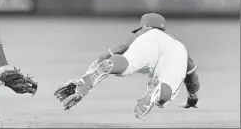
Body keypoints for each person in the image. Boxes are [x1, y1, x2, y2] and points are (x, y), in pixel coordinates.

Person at [54, 13, 200, 118]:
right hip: (177, 51)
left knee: (126, 62)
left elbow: (105, 56)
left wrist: (83, 78)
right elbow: (191, 72)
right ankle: (158, 91)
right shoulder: (175, 42)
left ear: (143, 26)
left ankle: (112, 66)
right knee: (165, 91)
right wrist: (192, 97)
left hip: (148, 42)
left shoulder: (144, 33)